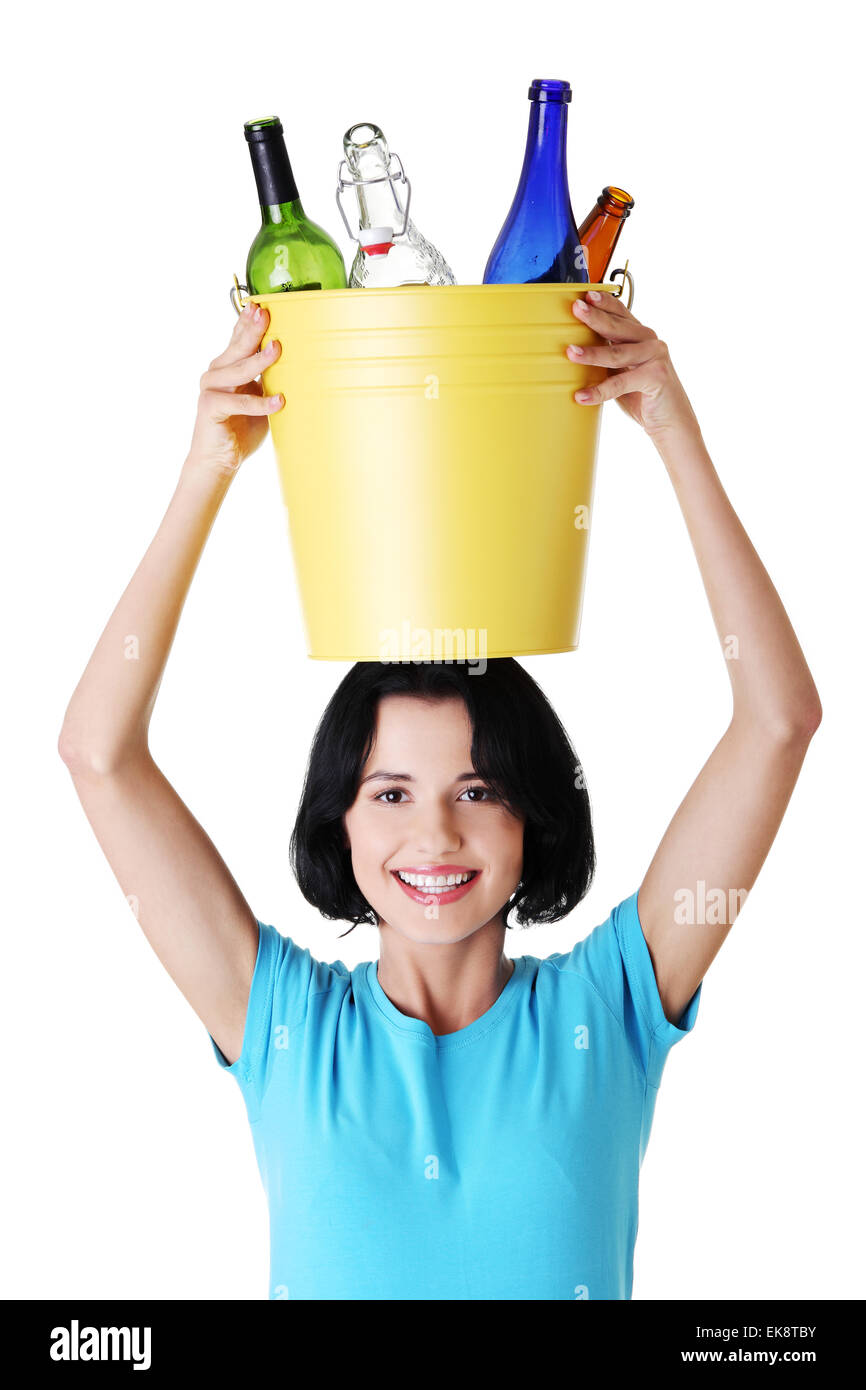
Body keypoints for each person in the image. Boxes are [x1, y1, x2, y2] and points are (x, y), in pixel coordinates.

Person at [58, 290, 822, 1300]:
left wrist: (670, 430)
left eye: (476, 788)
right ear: (337, 818)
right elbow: (97, 753)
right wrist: (210, 467)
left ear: (531, 816)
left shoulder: (608, 1010)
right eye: (389, 793)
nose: (434, 833)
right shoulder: (280, 1025)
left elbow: (777, 720)